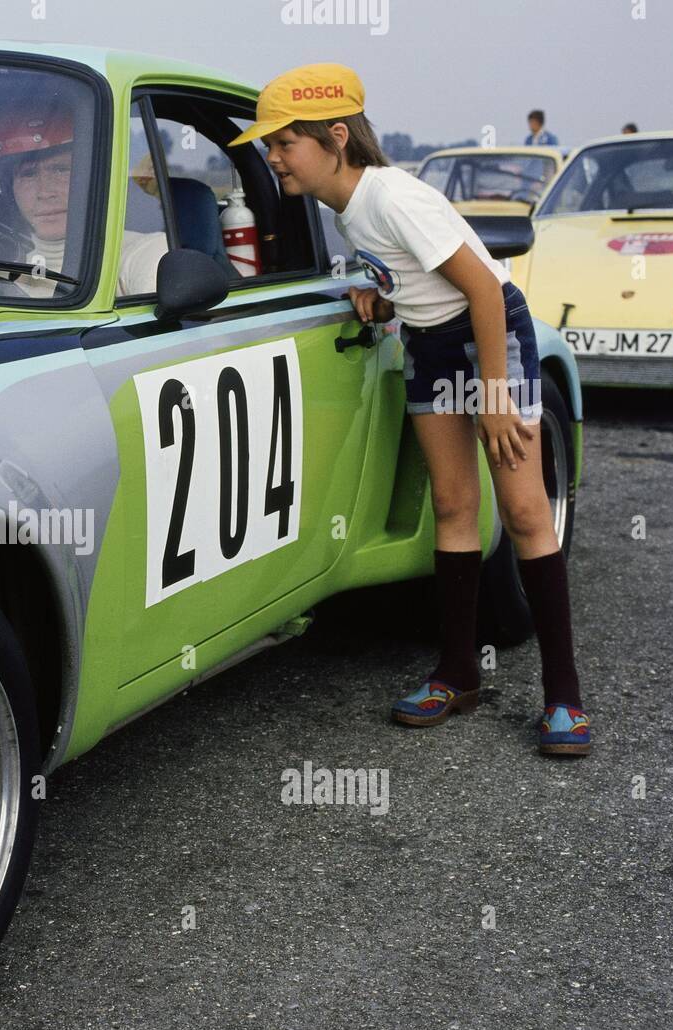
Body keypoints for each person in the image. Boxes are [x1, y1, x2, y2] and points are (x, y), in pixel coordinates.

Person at [228, 63, 590, 754]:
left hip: (488, 334)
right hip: (429, 340)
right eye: (269, 144)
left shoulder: (390, 196)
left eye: (284, 142)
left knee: (524, 512)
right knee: (453, 507)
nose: (271, 156)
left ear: (336, 137)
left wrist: (491, 394)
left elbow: (484, 288)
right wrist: (384, 298)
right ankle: (458, 675)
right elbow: (420, 279)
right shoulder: (347, 208)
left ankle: (565, 698)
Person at [0, 101, 167, 298]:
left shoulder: (145, 253)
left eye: (61, 170)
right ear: (10, 189)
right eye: (28, 174)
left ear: (93, 177)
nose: (44, 192)